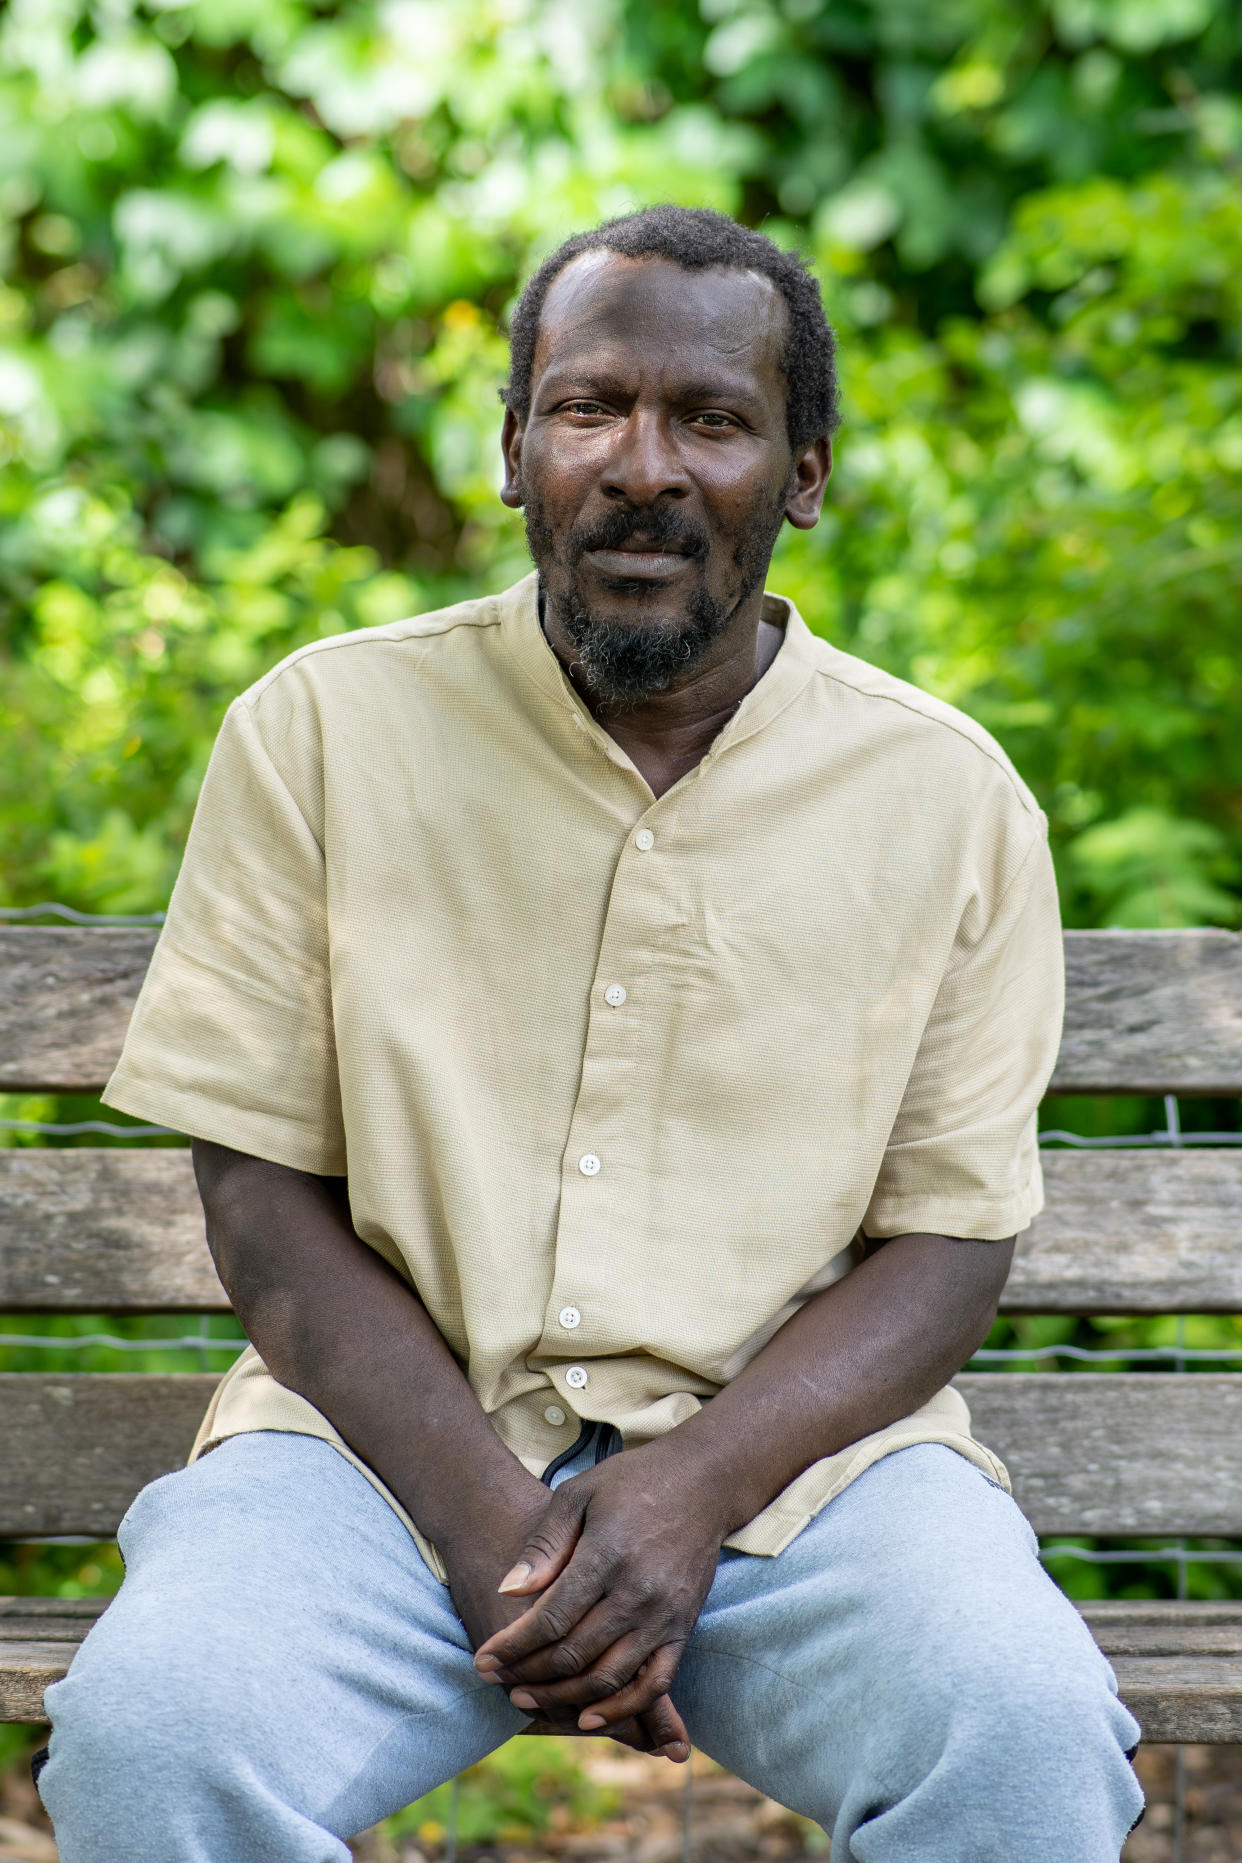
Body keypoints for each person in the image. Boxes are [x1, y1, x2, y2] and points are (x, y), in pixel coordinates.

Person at [38, 205, 1143, 1861]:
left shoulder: (945, 800)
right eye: (587, 408)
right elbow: (260, 1206)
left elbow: (946, 1246)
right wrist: (501, 1527)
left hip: (806, 1489)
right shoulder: (323, 732)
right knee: (152, 1738)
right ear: (510, 453)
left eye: (710, 418)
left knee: (1024, 1743)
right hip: (378, 1468)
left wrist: (686, 1496)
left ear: (804, 472)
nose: (643, 466)